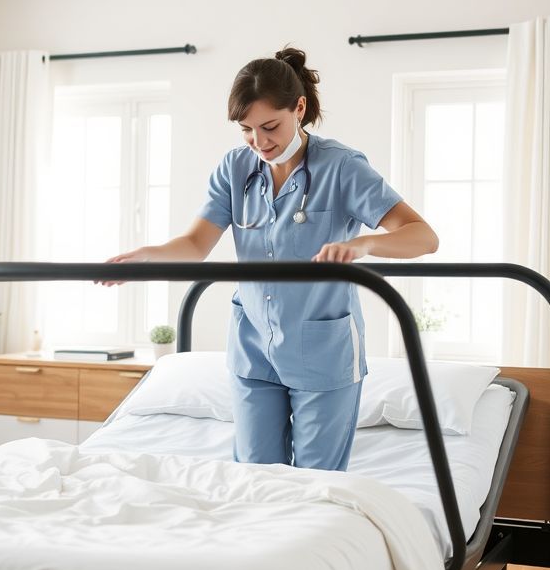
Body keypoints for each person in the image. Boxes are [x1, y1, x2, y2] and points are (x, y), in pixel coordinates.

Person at [106, 47, 438, 471]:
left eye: (269, 126)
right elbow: (195, 245)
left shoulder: (342, 167)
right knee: (254, 475)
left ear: (299, 108)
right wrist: (147, 256)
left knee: (315, 481)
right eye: (246, 129)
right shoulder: (235, 168)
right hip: (253, 346)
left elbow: (424, 237)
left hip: (323, 348)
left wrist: (362, 246)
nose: (259, 142)